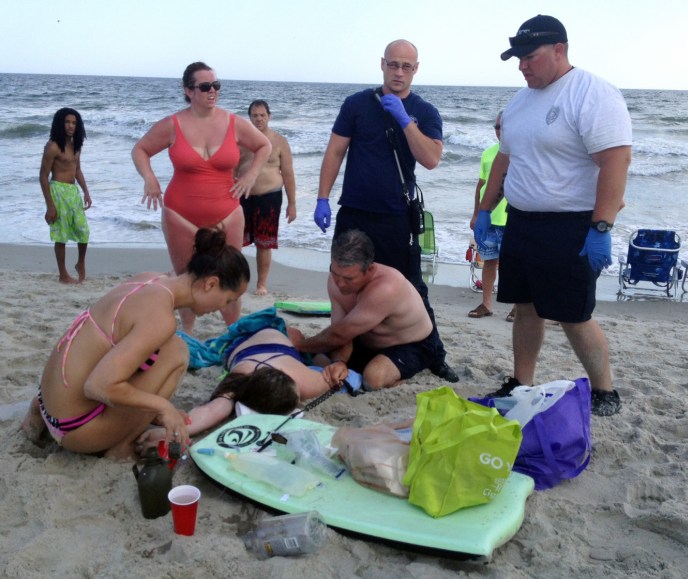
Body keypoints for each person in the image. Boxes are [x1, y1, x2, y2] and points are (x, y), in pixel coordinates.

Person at [475, 15, 632, 417]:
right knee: (525, 308)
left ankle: (604, 390)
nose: (523, 66)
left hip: (571, 224)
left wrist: (601, 227)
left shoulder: (592, 94)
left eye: (530, 57)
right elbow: (504, 161)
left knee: (574, 315)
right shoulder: (520, 101)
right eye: (518, 59)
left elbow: (615, 161)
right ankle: (521, 381)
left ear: (559, 50)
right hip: (522, 222)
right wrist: (484, 209)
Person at [21, 228, 251, 459]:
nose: (222, 308)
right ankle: (120, 447)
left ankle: (37, 413)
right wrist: (163, 407)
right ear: (211, 284)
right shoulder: (161, 318)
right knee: (177, 352)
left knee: (166, 346)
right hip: (75, 431)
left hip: (48, 404)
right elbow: (98, 386)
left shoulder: (150, 279)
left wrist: (153, 411)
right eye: (228, 300)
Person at [313, 39, 458, 383]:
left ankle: (434, 354)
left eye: (406, 66)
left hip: (396, 216)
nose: (398, 72)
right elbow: (335, 152)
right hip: (355, 213)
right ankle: (348, 349)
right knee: (347, 281)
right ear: (382, 64)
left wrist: (406, 121)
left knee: (411, 286)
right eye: (393, 64)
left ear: (416, 70)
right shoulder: (357, 104)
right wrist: (321, 198)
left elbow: (431, 159)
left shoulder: (425, 111)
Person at [131, 62, 271, 333]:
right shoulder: (173, 124)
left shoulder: (233, 123)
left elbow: (263, 146)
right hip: (180, 213)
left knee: (230, 277)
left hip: (227, 212)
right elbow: (140, 150)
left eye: (216, 85)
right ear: (188, 90)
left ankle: (232, 335)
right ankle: (188, 335)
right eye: (205, 86)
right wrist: (149, 178)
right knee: (187, 279)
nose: (212, 91)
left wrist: (250, 176)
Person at [136, 325, 350, 449]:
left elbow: (212, 410)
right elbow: (212, 412)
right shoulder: (243, 379)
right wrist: (169, 435)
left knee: (298, 337)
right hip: (254, 341)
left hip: (264, 340)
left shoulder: (301, 380)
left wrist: (338, 365)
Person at [289, 229, 441, 390]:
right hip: (362, 340)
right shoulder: (336, 281)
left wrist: (297, 345)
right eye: (335, 274)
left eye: (348, 279)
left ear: (370, 270)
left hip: (412, 344)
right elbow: (341, 330)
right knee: (321, 364)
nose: (340, 284)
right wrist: (339, 362)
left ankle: (401, 379)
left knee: (373, 380)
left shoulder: (386, 287)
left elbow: (339, 334)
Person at [236, 99, 297, 296]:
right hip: (242, 197)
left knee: (264, 243)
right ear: (249, 118)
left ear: (269, 116)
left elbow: (288, 174)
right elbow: (230, 171)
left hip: (269, 198)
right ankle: (236, 281)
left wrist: (292, 204)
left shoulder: (279, 141)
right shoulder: (241, 142)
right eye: (255, 115)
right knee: (235, 241)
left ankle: (261, 284)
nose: (259, 119)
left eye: (262, 115)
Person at [468, 111, 515, 322]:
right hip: (489, 220)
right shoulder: (488, 153)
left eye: (503, 127)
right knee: (488, 261)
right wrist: (477, 214)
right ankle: (487, 304)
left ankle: (517, 306)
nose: (499, 131)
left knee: (513, 265)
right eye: (496, 127)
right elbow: (481, 185)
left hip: (512, 221)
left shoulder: (521, 152)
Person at [40, 107, 92, 284]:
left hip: (73, 192)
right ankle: (63, 274)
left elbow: (77, 170)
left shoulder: (76, 146)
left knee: (83, 231)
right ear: (60, 124)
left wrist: (86, 191)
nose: (71, 126)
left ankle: (80, 263)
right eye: (67, 122)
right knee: (61, 235)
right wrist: (50, 206)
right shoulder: (53, 146)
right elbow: (42, 176)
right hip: (58, 191)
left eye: (74, 123)